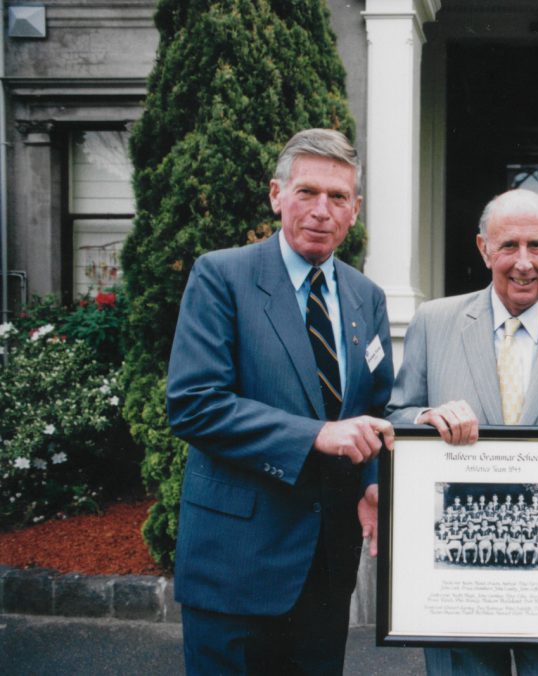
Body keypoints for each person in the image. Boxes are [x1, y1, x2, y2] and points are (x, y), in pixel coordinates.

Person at [166, 128, 395, 674]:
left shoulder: (368, 297)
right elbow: (195, 402)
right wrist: (313, 434)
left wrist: (372, 480)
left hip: (325, 566)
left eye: (337, 197)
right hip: (235, 564)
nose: (321, 210)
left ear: (354, 209)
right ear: (276, 195)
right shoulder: (223, 275)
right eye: (306, 192)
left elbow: (377, 407)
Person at [387, 188, 538, 675]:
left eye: (536, 246)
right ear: (483, 248)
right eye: (508, 246)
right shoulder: (434, 324)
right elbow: (395, 417)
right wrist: (425, 419)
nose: (523, 262)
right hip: (457, 592)